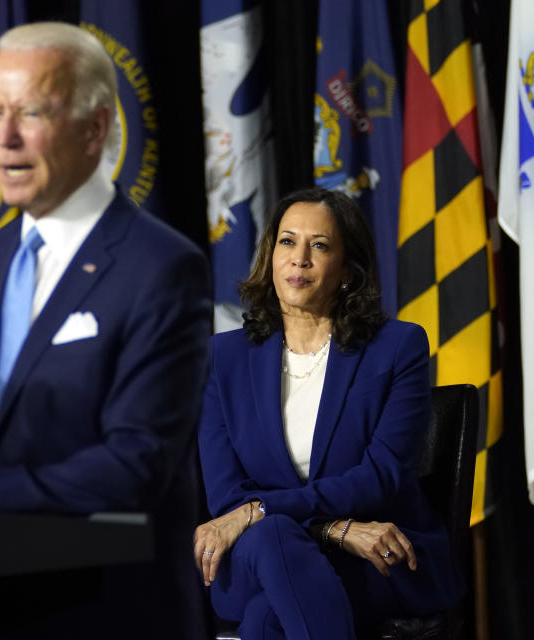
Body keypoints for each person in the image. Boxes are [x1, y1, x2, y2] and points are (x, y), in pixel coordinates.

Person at [0, 21, 211, 639]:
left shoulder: (162, 268)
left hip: (108, 616)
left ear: (95, 128)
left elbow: (134, 465)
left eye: (31, 112)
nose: (4, 138)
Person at [194, 187, 464, 638]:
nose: (299, 259)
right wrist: (332, 529)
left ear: (346, 270)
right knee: (273, 540)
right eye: (287, 241)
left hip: (372, 558)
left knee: (267, 618)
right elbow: (228, 499)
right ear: (270, 257)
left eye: (319, 245)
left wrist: (263, 509)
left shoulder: (396, 348)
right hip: (264, 552)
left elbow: (380, 477)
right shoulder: (223, 359)